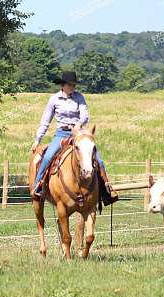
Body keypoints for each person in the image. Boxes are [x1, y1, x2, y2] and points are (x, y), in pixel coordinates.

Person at [31, 71, 118, 205]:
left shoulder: (79, 97)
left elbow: (85, 115)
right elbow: (45, 121)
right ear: (63, 85)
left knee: (98, 159)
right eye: (70, 85)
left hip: (78, 133)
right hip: (62, 133)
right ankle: (38, 186)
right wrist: (38, 139)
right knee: (48, 157)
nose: (73, 87)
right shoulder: (54, 99)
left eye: (74, 85)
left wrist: (78, 125)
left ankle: (107, 189)